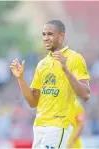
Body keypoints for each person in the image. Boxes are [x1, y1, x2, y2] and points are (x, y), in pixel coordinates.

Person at [10, 20, 90, 148]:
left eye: (50, 34)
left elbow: (85, 95)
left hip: (59, 124)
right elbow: (33, 102)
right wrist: (20, 79)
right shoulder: (42, 64)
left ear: (61, 35)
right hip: (39, 125)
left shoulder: (75, 58)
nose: (45, 38)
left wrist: (65, 69)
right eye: (44, 34)